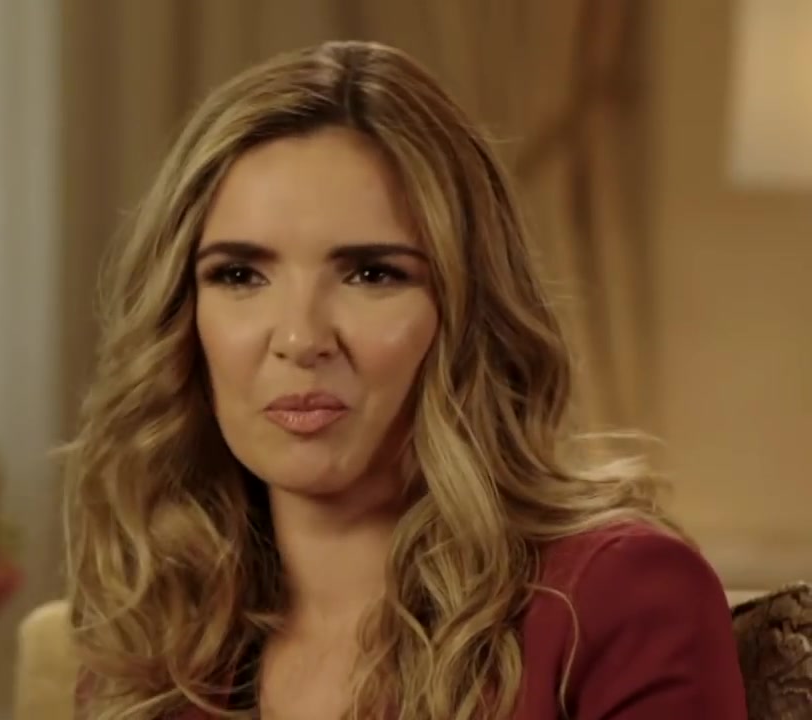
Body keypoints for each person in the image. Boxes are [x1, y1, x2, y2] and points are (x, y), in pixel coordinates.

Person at [61, 40, 746, 720]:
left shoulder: (620, 599)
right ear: (184, 317)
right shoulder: (156, 639)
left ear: (466, 308)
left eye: (372, 274)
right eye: (240, 275)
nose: (300, 338)